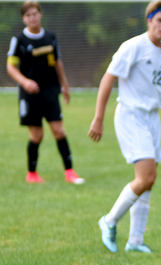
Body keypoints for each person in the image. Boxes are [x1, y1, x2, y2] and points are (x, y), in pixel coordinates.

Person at [88, 1, 161, 253]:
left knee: (149, 180)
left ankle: (135, 241)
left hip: (152, 118)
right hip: (131, 114)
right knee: (146, 177)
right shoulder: (133, 46)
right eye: (159, 20)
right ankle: (108, 221)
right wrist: (98, 117)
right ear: (148, 20)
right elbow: (108, 79)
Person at [6, 1, 84, 184]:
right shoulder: (19, 40)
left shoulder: (51, 37)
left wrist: (65, 85)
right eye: (28, 15)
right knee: (37, 135)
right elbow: (11, 67)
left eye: (35, 14)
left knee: (59, 130)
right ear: (23, 18)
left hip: (50, 91)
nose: (32, 18)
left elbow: (57, 62)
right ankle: (31, 174)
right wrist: (24, 81)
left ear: (40, 14)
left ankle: (70, 171)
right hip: (30, 95)